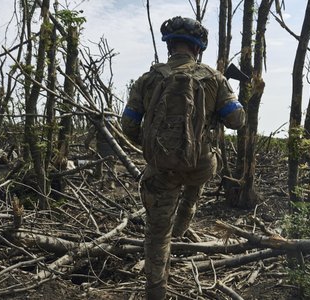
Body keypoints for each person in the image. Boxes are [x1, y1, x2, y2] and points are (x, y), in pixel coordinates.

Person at [121, 16, 245, 299]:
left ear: (169, 46)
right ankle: (185, 216)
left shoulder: (148, 79)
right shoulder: (214, 78)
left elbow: (128, 124)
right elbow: (237, 120)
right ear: (198, 49)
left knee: (156, 234)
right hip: (200, 167)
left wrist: (152, 148)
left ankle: (156, 291)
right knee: (204, 166)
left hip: (161, 170)